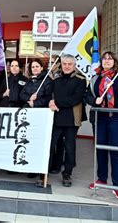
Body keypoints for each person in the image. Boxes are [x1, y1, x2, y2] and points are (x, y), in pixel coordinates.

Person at [85, 51, 118, 200]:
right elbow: (87, 96)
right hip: (100, 118)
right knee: (100, 149)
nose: (107, 61)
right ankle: (101, 179)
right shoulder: (95, 78)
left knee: (115, 150)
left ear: (114, 61)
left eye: (110, 59)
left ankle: (116, 185)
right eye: (104, 59)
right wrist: (95, 101)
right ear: (101, 61)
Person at [48, 55, 86, 187]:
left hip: (71, 119)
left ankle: (67, 173)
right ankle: (46, 171)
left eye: (70, 64)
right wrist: (50, 103)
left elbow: (75, 99)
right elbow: (50, 95)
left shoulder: (80, 80)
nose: (67, 66)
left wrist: (56, 102)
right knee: (51, 145)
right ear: (61, 65)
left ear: (74, 65)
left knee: (70, 147)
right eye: (64, 63)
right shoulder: (55, 80)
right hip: (56, 118)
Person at [19, 58, 53, 180]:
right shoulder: (29, 81)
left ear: (42, 67)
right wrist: (29, 99)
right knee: (29, 141)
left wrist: (36, 103)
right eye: (33, 67)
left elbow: (49, 97)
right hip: (28, 114)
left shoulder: (47, 81)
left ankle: (40, 169)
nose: (35, 69)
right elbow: (21, 95)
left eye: (37, 66)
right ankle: (31, 166)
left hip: (41, 115)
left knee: (40, 143)